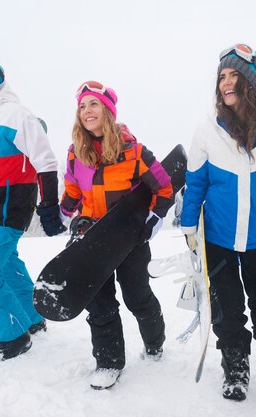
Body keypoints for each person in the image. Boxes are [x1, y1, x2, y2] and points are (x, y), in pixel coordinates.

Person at [180, 44, 256, 401]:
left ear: (251, 82)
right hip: (218, 235)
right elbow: (196, 182)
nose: (226, 83)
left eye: (234, 76)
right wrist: (189, 227)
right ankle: (235, 367)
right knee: (227, 307)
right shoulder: (207, 130)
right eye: (222, 77)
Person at [60, 81, 174, 389]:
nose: (87, 111)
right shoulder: (76, 153)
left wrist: (153, 220)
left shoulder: (134, 152)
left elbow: (163, 188)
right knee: (99, 302)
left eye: (93, 104)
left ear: (108, 111)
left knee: (137, 298)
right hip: (93, 239)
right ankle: (109, 362)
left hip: (129, 239)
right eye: (82, 106)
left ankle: (155, 341)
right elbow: (73, 187)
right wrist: (65, 211)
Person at [0, 52, 67, 362]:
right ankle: (33, 318)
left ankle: (15, 335)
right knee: (7, 265)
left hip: (8, 210)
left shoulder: (17, 115)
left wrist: (48, 206)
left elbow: (45, 162)